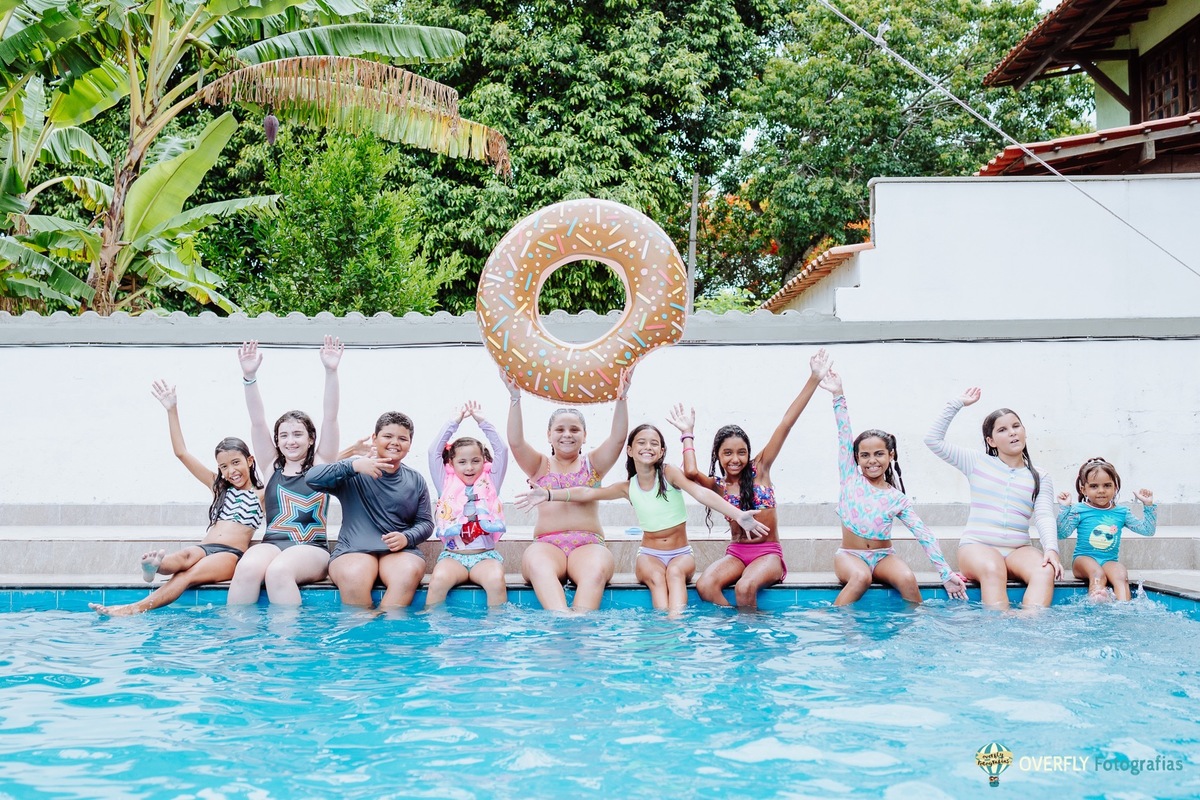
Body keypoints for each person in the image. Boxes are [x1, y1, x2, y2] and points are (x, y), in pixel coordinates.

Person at [516, 423, 770, 611]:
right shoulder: (628, 487)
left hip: (681, 554)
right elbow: (586, 492)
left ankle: (676, 625)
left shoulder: (669, 474)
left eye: (653, 444)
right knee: (658, 579)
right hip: (648, 556)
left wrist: (737, 514)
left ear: (661, 452)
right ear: (629, 450)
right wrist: (549, 494)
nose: (647, 447)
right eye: (641, 442)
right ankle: (663, 628)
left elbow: (701, 493)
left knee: (674, 574)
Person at [672, 349, 830, 609]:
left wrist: (814, 378)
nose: (735, 459)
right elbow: (690, 473)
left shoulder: (761, 469)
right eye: (728, 453)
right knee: (705, 585)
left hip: (768, 553)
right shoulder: (718, 487)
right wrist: (687, 433)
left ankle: (749, 639)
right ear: (718, 456)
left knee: (745, 586)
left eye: (741, 452)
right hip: (737, 552)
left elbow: (786, 424)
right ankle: (736, 625)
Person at [91, 381, 263, 615]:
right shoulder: (219, 488)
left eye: (236, 463)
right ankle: (154, 567)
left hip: (229, 554)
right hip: (204, 548)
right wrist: (172, 409)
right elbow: (181, 452)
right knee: (183, 557)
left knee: (186, 575)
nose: (230, 471)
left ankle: (134, 608)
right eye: (223, 466)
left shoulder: (261, 494)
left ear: (250, 461)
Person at [817, 369, 967, 606]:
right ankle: (839, 628)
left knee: (908, 578)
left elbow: (923, 534)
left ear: (891, 455)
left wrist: (946, 573)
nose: (872, 460)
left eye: (878, 454)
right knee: (860, 578)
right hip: (850, 556)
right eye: (864, 455)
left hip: (883, 556)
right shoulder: (850, 478)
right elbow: (843, 432)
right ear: (856, 458)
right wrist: (838, 395)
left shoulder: (897, 498)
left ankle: (917, 629)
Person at [503, 367, 633, 612]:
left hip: (589, 545)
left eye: (574, 430)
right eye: (560, 430)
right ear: (549, 435)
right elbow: (516, 442)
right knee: (541, 569)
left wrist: (622, 398)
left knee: (594, 573)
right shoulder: (539, 466)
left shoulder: (593, 465)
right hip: (546, 545)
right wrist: (514, 398)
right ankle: (561, 619)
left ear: (585, 436)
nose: (567, 435)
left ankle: (581, 622)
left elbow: (617, 439)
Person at [227, 337, 343, 605]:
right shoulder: (271, 466)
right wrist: (249, 376)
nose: (291, 441)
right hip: (272, 543)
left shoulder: (322, 463)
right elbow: (257, 421)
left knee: (278, 571)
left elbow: (330, 416)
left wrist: (331, 371)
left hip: (311, 549)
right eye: (284, 435)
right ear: (277, 440)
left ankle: (288, 644)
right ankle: (238, 639)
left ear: (311, 438)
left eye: (298, 434)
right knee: (245, 568)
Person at [924, 387, 1062, 610]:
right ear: (991, 441)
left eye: (1016, 426)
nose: (1012, 433)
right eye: (1003, 430)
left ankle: (1031, 625)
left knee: (1045, 570)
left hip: (1019, 549)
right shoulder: (976, 462)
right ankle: (998, 627)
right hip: (977, 547)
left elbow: (1045, 515)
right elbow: (932, 440)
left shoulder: (1040, 476)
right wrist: (957, 403)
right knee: (992, 568)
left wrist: (1051, 550)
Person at [305, 412, 433, 608]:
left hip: (398, 551)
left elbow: (425, 522)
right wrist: (353, 465)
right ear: (375, 438)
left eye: (402, 438)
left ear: (410, 443)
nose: (395, 443)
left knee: (407, 573)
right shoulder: (354, 472)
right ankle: (364, 631)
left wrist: (407, 537)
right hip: (352, 549)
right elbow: (311, 478)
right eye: (388, 436)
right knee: (354, 575)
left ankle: (389, 627)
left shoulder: (415, 480)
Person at [425, 401, 509, 608]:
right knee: (438, 581)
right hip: (453, 557)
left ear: (484, 461)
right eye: (462, 462)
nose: (470, 467)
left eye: (475, 461)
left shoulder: (491, 481)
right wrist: (454, 421)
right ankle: (436, 630)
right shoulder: (444, 482)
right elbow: (433, 452)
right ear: (451, 464)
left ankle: (494, 633)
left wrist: (482, 421)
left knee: (496, 581)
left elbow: (502, 450)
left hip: (485, 557)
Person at [1056, 457, 1156, 601]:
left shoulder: (1122, 512)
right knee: (1097, 574)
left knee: (1121, 574)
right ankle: (1097, 599)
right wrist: (1064, 508)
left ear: (1115, 488)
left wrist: (1148, 505)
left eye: (1107, 485)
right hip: (1083, 560)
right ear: (1083, 489)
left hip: (1109, 560)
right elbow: (1061, 533)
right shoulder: (1079, 510)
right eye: (1094, 486)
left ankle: (1123, 609)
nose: (1101, 491)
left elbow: (1147, 530)